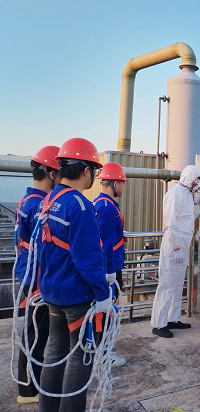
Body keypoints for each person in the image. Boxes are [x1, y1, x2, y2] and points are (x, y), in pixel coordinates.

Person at [37, 138, 112, 412]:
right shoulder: (80, 205)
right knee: (80, 355)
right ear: (86, 170)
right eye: (95, 170)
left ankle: (47, 407)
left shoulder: (50, 200)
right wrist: (103, 294)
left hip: (52, 292)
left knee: (54, 350)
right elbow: (88, 258)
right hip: (76, 295)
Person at [14, 145, 60, 404]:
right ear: (52, 174)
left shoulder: (26, 200)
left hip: (28, 273)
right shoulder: (40, 205)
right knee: (37, 335)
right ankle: (29, 390)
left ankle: (29, 385)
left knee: (33, 332)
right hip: (37, 279)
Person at [151, 165, 200, 338]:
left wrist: (196, 203)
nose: (197, 183)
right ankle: (158, 324)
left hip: (183, 244)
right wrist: (175, 248)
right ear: (188, 177)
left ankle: (172, 318)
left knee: (178, 283)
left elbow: (191, 218)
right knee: (167, 284)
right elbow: (170, 224)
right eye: (196, 179)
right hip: (173, 246)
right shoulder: (174, 193)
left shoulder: (188, 194)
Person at [93, 162, 127, 367]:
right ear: (114, 183)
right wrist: (109, 271)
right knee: (106, 311)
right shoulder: (106, 207)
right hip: (109, 268)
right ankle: (104, 354)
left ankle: (103, 350)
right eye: (122, 183)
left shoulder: (103, 204)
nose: (123, 187)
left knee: (106, 310)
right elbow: (104, 243)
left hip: (110, 265)